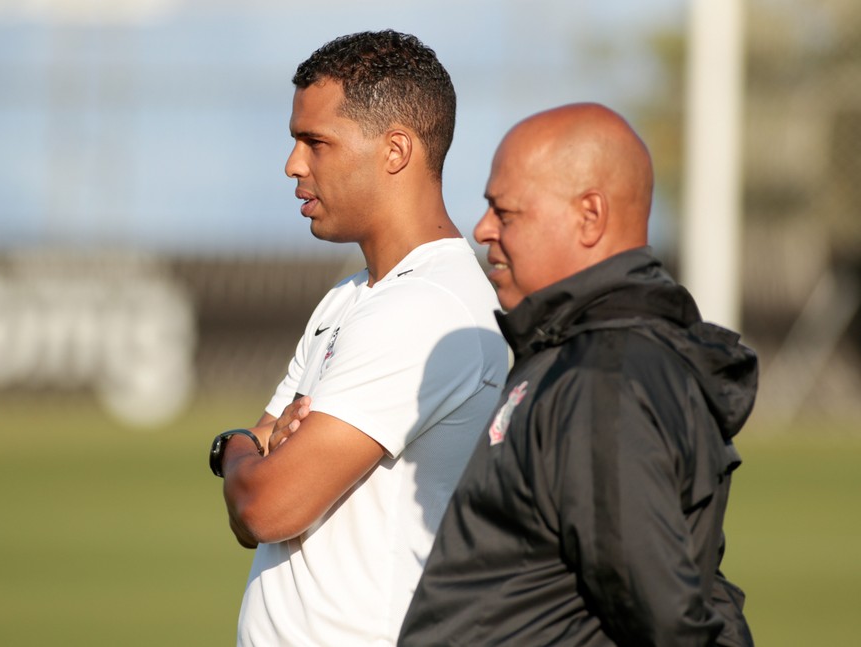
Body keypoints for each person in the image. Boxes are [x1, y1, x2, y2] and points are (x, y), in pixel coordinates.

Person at [399, 103, 757, 646]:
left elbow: (668, 622)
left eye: (506, 211)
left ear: (590, 215)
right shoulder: (577, 352)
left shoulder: (604, 375)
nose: (482, 228)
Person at [210, 30, 508, 646]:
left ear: (395, 150)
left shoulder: (425, 307)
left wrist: (236, 447)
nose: (293, 164)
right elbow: (257, 498)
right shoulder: (351, 298)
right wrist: (254, 455)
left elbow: (265, 507)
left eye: (315, 142)